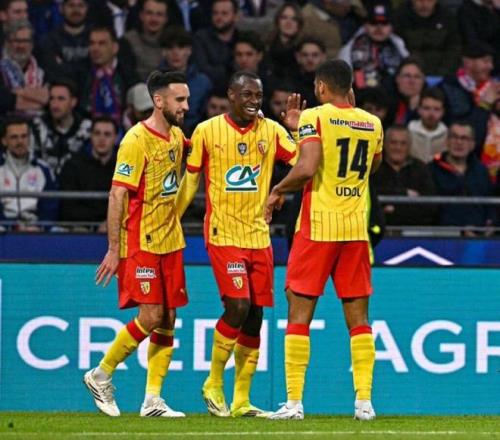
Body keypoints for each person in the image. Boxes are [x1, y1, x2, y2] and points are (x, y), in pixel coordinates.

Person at [175, 70, 300, 418]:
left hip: (259, 236)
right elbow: (190, 182)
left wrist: (294, 131)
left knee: (255, 316)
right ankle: (213, 382)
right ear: (231, 95)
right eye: (247, 95)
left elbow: (305, 163)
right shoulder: (207, 131)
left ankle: (242, 400)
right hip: (223, 233)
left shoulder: (272, 131)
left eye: (258, 96)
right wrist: (172, 217)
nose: (254, 102)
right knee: (239, 306)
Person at [266, 59, 383, 421]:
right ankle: (364, 403)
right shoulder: (373, 122)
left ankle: (294, 403)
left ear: (320, 87)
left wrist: (277, 190)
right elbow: (373, 166)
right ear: (350, 88)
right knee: (359, 319)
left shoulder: (314, 117)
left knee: (299, 313)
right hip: (355, 230)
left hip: (317, 227)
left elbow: (306, 167)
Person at [83, 69, 190, 418]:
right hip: (140, 242)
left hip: (170, 240)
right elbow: (117, 194)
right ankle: (100, 375)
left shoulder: (177, 136)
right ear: (158, 101)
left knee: (168, 317)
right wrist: (114, 249)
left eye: (187, 99)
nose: (186, 106)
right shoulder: (135, 140)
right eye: (179, 100)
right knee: (152, 315)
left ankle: (152, 400)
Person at [429, 121, 495, 234]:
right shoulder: (432, 169)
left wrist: (491, 222)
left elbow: (490, 201)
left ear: (472, 144)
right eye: (454, 137)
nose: (459, 142)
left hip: (481, 236)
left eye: (464, 138)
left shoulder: (481, 170)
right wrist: (461, 230)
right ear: (447, 141)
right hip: (445, 236)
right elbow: (431, 210)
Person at [59, 116, 118, 230]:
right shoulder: (73, 165)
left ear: (116, 138)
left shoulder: (124, 167)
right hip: (80, 228)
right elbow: (67, 208)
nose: (101, 139)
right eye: (97, 133)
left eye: (107, 134)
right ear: (91, 136)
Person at [0, 116, 58, 230]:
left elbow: (50, 206)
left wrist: (40, 226)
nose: (20, 142)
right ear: (4, 141)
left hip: (36, 229)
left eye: (24, 136)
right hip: (4, 230)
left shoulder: (43, 169)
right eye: (14, 137)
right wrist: (12, 226)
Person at [372, 125, 436, 227]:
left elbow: (429, 205)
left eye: (403, 143)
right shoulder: (374, 167)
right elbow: (371, 196)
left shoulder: (420, 168)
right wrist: (404, 193)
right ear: (384, 144)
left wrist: (394, 210)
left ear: (409, 146)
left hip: (414, 229)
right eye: (393, 142)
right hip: (381, 228)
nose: (398, 148)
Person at [31, 79, 92, 175]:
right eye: (52, 98)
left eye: (61, 99)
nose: (55, 104)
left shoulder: (87, 129)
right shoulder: (37, 127)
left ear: (73, 102)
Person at [408, 87, 448, 164]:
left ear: (443, 112)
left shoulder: (448, 136)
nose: (431, 114)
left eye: (436, 109)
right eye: (426, 108)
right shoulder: (407, 133)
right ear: (419, 110)